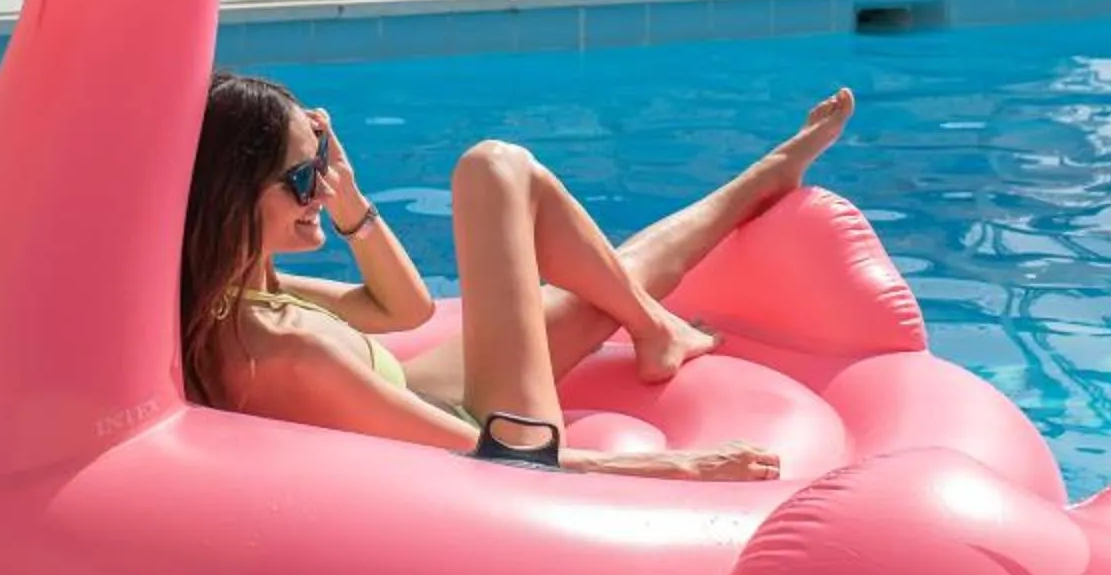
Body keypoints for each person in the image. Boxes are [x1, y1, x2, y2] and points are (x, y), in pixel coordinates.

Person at [179, 71, 856, 478]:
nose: (322, 189)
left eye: (323, 160)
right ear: (231, 197)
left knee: (589, 292)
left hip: (418, 395)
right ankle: (672, 308)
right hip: (480, 432)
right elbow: (497, 454)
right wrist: (677, 467)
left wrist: (348, 198)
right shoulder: (279, 351)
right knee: (494, 168)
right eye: (303, 179)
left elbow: (404, 311)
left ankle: (754, 194)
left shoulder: (247, 288)